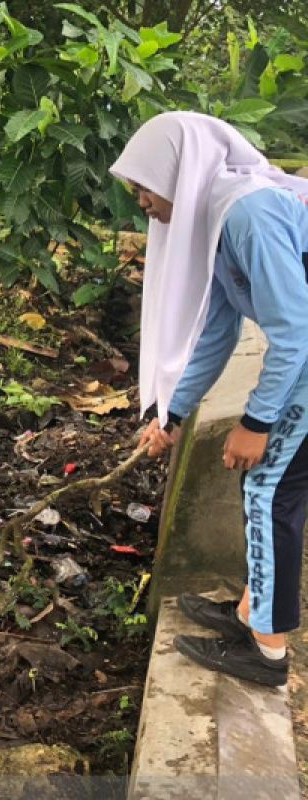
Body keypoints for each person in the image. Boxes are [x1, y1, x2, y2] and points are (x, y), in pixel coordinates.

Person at [120, 111, 308, 689]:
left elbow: (295, 330)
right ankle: (254, 614)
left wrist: (256, 421)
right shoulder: (213, 222)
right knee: (271, 487)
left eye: (146, 187)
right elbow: (217, 333)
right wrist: (170, 414)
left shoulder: (248, 213)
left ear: (179, 173)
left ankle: (267, 654)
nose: (143, 204)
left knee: (268, 488)